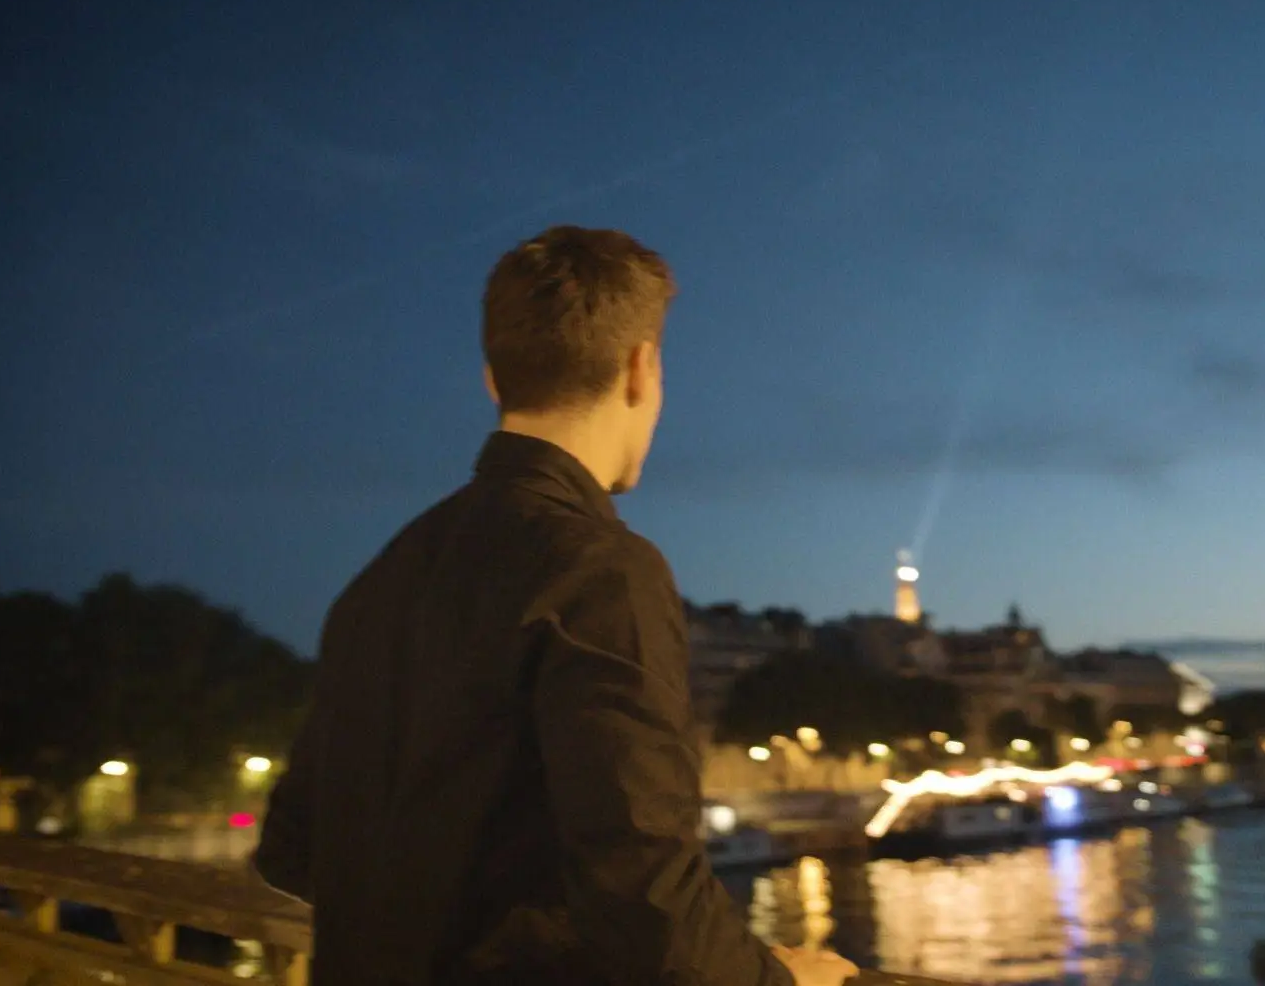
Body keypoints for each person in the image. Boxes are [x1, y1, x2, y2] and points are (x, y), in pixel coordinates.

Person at [254, 227, 857, 986]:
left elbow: (291, 849)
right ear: (641, 368)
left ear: (493, 380)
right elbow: (643, 884)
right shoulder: (601, 572)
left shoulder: (383, 577)